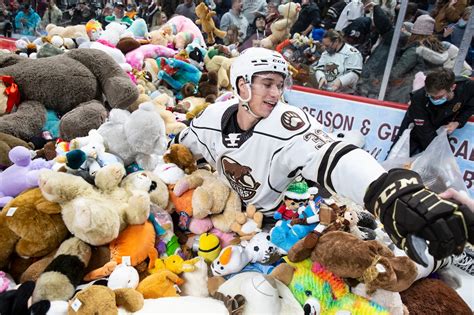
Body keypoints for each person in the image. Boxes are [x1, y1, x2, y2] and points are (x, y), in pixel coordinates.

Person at [173, 47, 474, 265]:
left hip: (277, 221)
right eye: (267, 84)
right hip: (233, 213)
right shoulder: (211, 118)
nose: (276, 93)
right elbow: (183, 146)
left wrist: (385, 191)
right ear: (241, 85)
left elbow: (334, 156)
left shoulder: (287, 121)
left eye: (280, 85)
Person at [392, 68, 474, 157]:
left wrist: (458, 122)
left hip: (442, 124)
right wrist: (437, 154)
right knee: (397, 157)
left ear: (452, 87)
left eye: (439, 97)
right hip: (416, 128)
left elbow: (470, 106)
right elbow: (425, 132)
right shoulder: (419, 98)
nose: (434, 99)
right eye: (430, 96)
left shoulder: (467, 86)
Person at [311, 29, 363, 93]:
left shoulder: (353, 53)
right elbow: (319, 68)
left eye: (327, 45)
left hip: (344, 94)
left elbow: (355, 74)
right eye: (324, 45)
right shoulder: (326, 53)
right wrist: (321, 77)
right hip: (326, 90)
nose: (325, 48)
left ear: (336, 41)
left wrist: (340, 81)